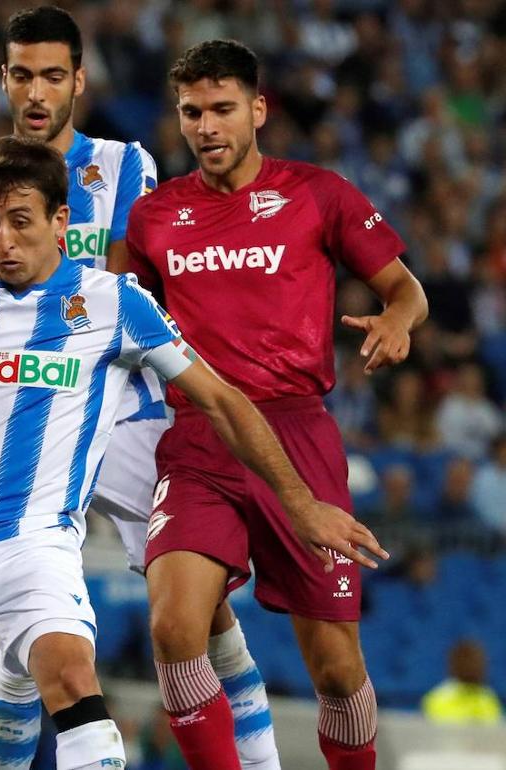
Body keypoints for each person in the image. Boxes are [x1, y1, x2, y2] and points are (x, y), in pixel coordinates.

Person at [0, 135, 379, 770]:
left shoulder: (115, 303)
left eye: (21, 222)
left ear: (60, 220)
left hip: (33, 548)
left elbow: (223, 400)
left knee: (75, 680)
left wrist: (298, 502)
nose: (4, 242)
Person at [0, 7, 279, 768]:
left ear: (79, 80)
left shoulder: (123, 164)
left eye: (54, 75)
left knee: (204, 607)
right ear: (4, 79)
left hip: (118, 411)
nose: (37, 92)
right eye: (23, 75)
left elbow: (121, 285)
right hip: (14, 411)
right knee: (21, 615)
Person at [126, 41, 427, 770]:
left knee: (335, 667)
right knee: (173, 628)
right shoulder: (153, 217)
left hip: (298, 433)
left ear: (257, 110)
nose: (206, 126)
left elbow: (406, 289)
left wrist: (396, 321)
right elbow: (113, 318)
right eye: (191, 112)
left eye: (222, 108)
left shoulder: (319, 194)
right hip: (199, 434)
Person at [421, 639, 503, 725]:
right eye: (467, 661)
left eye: (477, 662)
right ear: (453, 665)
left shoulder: (490, 700)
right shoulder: (436, 699)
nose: (473, 667)